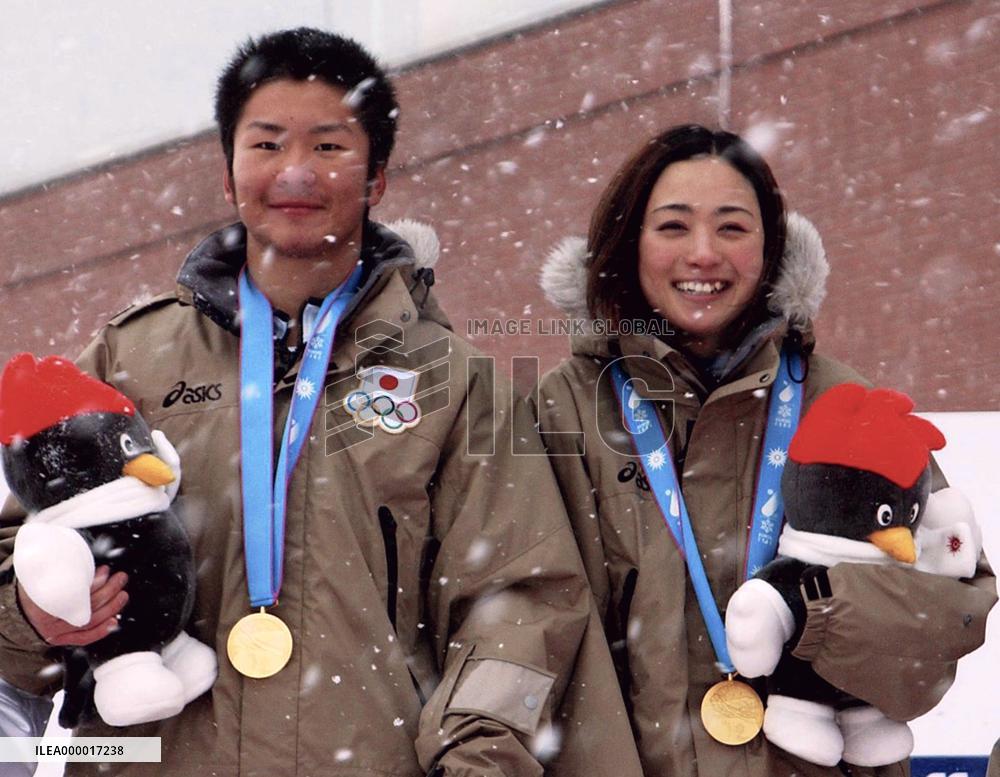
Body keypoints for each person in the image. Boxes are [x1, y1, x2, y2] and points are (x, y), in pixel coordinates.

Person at [0, 28, 641, 776]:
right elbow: (11, 543)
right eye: (267, 144)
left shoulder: (450, 382)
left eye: (330, 147)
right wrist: (27, 613)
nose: (295, 171)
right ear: (228, 170)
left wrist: (481, 757)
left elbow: (523, 604)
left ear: (377, 180)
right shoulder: (128, 359)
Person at [533, 123, 997, 776]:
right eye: (672, 227)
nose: (703, 253)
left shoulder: (846, 403)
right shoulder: (561, 412)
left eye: (731, 227)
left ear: (772, 247)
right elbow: (521, 623)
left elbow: (946, 622)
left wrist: (814, 610)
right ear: (628, 242)